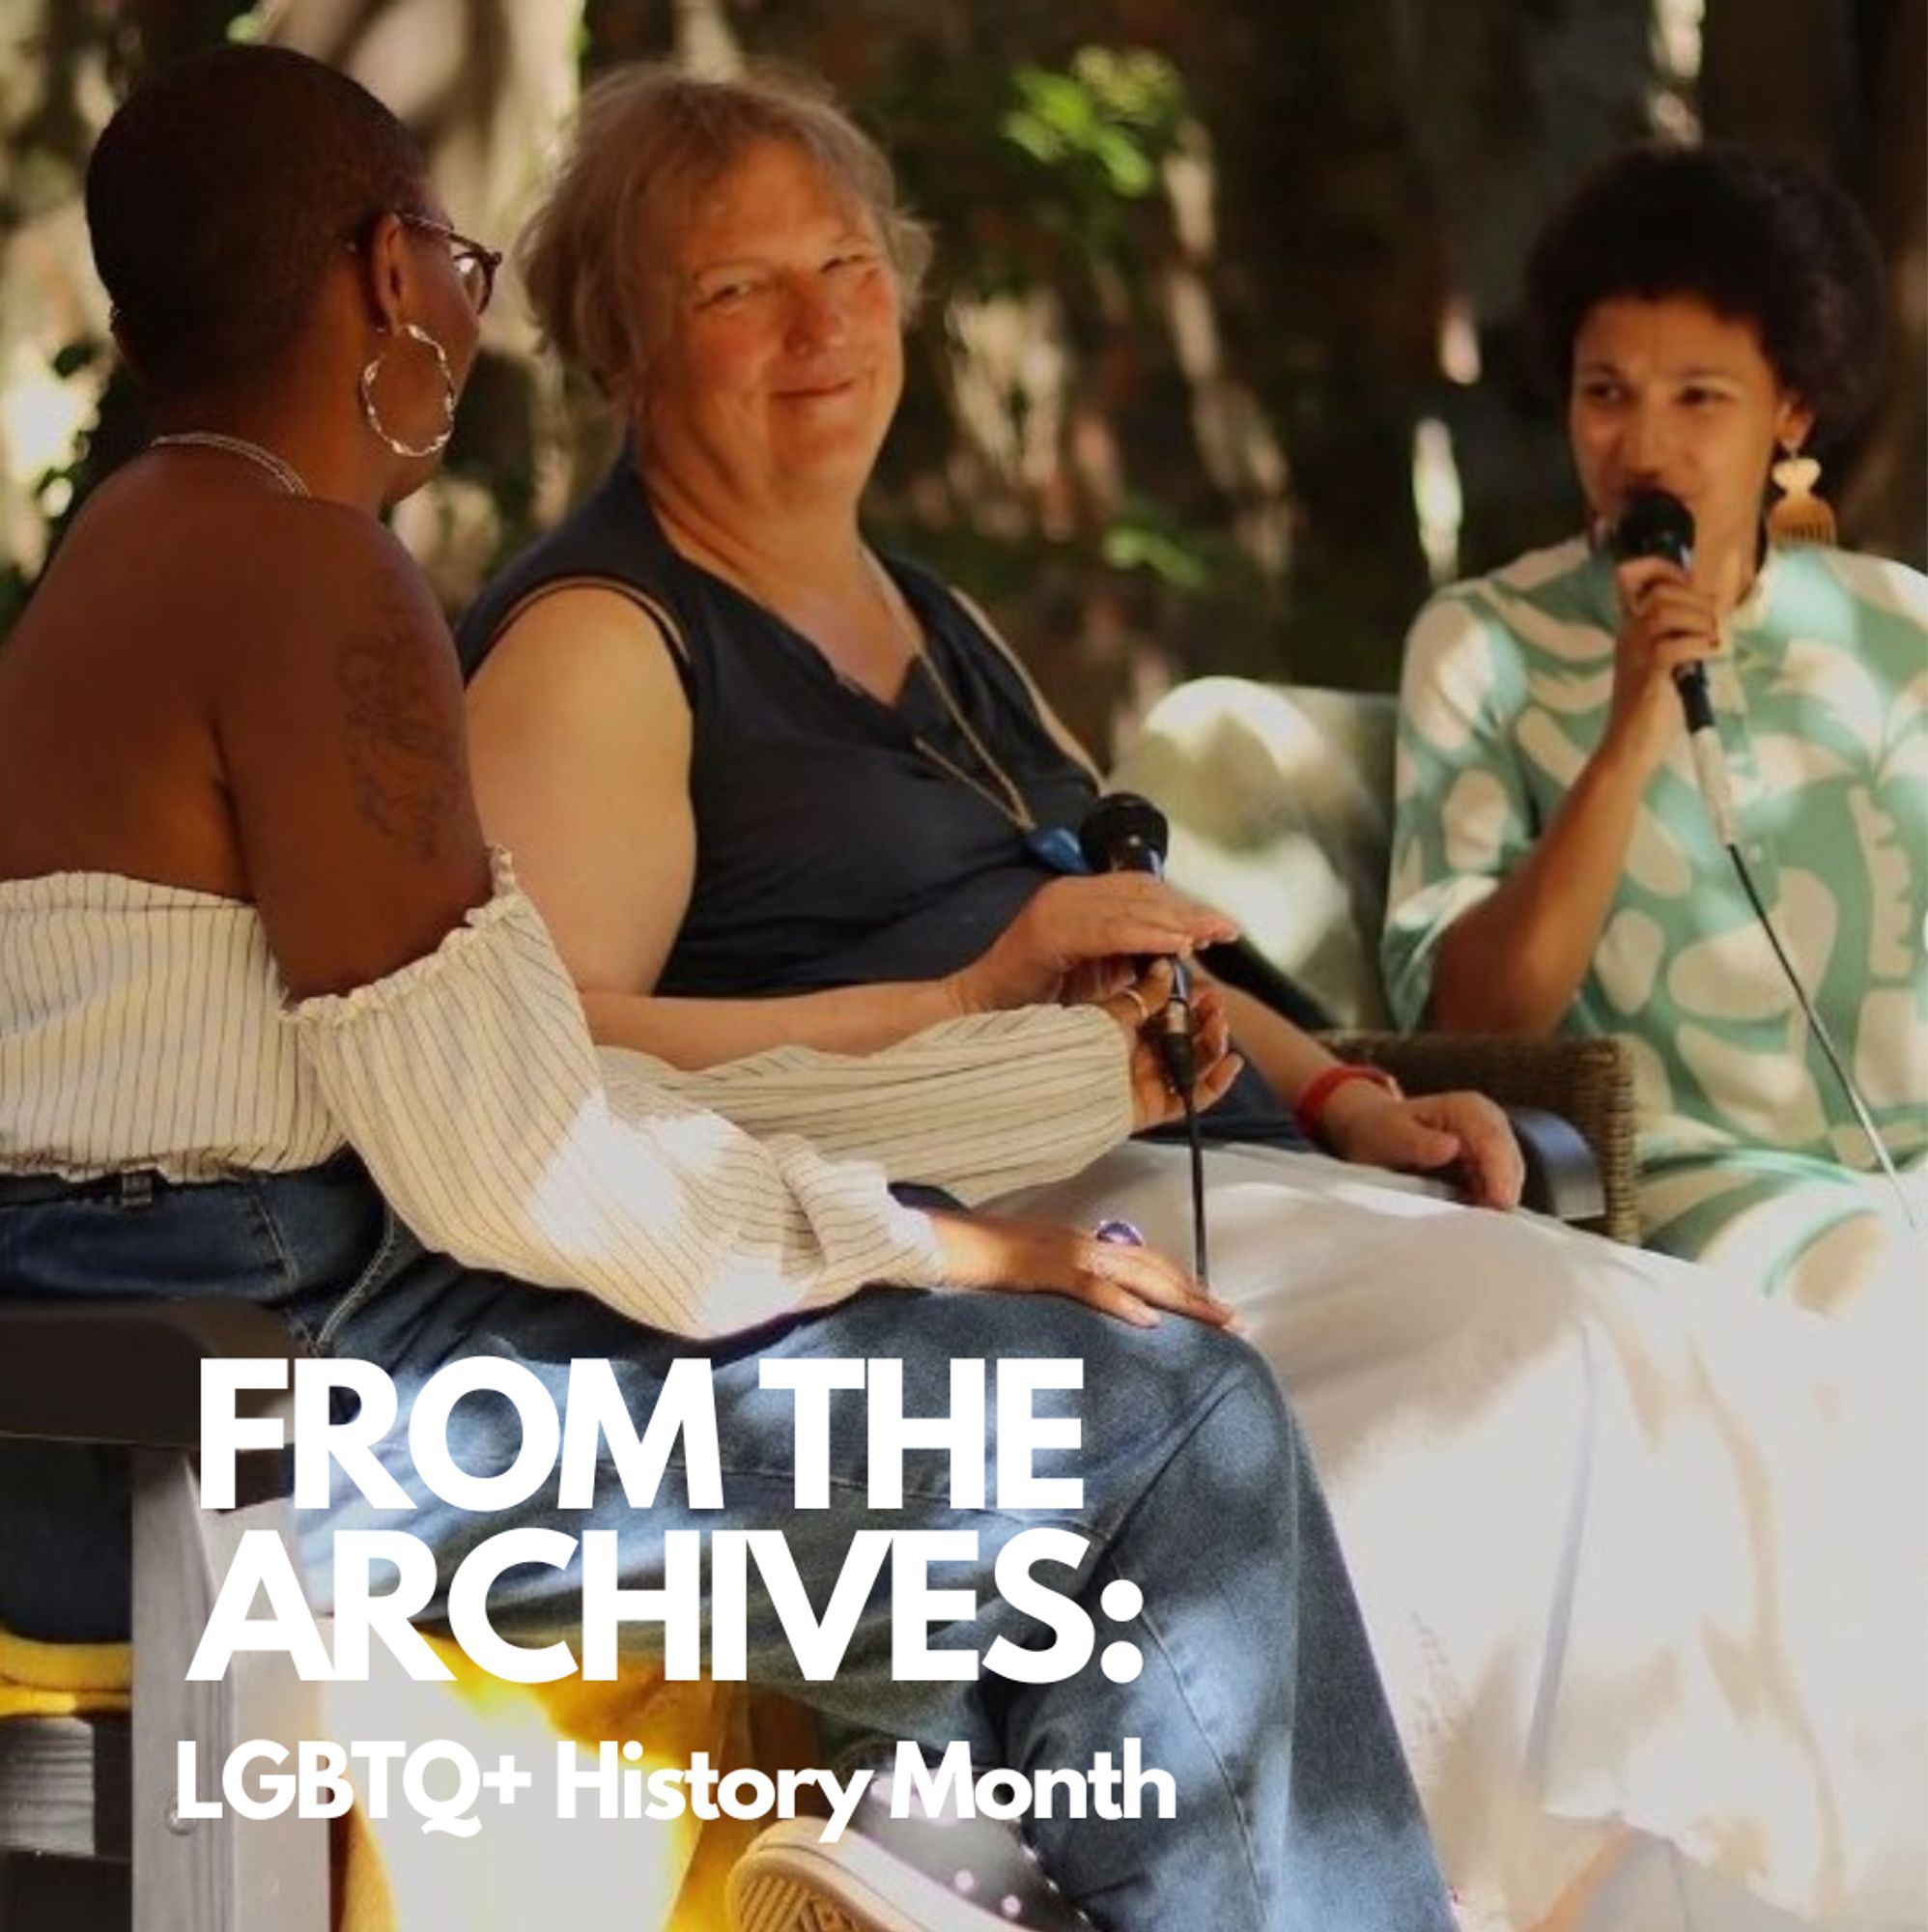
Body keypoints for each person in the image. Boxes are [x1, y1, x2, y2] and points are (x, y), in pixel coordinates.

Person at [0, 44, 1468, 1932]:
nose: (468, 310)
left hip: (131, 1400)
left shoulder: (99, 576)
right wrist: (954, 1249)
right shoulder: (307, 571)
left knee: (977, 1385)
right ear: (386, 274)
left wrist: (907, 1214)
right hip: (294, 1406)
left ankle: (925, 1847)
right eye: (457, 263)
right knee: (1158, 1402)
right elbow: (511, 1160)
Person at [458, 68, 1925, 1932]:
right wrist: (945, 1005)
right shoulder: (610, 642)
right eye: (740, 291)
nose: (823, 324)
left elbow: (1134, 911)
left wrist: (1340, 1102)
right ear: (623, 345)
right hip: (929, 1215)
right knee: (1540, 1368)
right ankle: (1044, 1842)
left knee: (1732, 1394)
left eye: (844, 263)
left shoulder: (920, 610)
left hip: (1160, 1163)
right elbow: (542, 1057)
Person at [1383, 141, 1926, 1313]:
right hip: (1699, 1195)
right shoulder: (1483, 641)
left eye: (1698, 397)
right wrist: (1630, 728)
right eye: (1606, 393)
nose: (1642, 446)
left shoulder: (1898, 631)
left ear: (1788, 411)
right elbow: (1471, 1020)